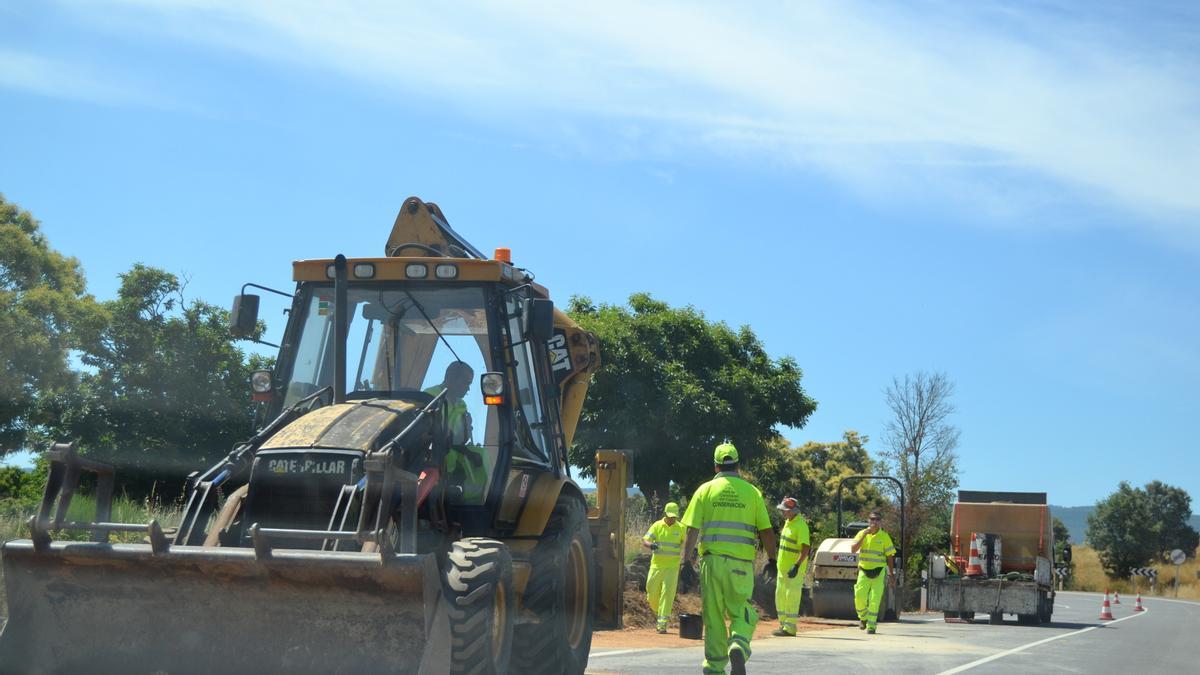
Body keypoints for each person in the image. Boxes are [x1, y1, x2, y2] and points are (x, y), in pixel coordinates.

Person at [682, 443, 777, 675]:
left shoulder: (705, 490)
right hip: (740, 565)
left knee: (713, 616)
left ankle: (714, 668)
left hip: (711, 563)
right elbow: (766, 531)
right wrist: (772, 560)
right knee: (742, 610)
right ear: (738, 464)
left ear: (716, 466)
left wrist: (685, 562)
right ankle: (739, 644)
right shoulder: (752, 492)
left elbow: (692, 529)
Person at [425, 362, 487, 503]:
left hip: (448, 468)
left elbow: (456, 440)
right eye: (465, 383)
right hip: (429, 466)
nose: (468, 388)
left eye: (469, 384)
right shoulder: (429, 397)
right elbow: (431, 435)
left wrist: (466, 430)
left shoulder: (461, 405)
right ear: (451, 378)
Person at [849, 510, 896, 634]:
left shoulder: (884, 537)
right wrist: (864, 535)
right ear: (868, 521)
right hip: (864, 571)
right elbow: (853, 550)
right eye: (872, 519)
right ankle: (863, 618)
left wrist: (891, 574)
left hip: (879, 572)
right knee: (859, 596)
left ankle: (871, 625)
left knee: (874, 599)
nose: (874, 522)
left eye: (877, 520)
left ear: (880, 522)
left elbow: (890, 556)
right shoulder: (861, 534)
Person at [643, 502, 686, 634]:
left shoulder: (681, 528)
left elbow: (685, 545)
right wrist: (651, 545)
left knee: (667, 594)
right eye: (670, 516)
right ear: (665, 514)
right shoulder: (657, 526)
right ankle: (657, 610)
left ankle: (662, 624)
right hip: (657, 565)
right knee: (651, 592)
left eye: (675, 516)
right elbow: (646, 540)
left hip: (672, 567)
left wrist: (684, 562)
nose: (673, 519)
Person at [772, 497, 811, 637]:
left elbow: (805, 548)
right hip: (782, 569)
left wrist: (796, 566)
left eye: (785, 510)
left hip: (794, 570)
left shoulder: (801, 526)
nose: (783, 512)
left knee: (791, 597)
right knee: (780, 596)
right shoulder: (788, 523)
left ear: (793, 511)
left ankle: (790, 628)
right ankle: (783, 625)